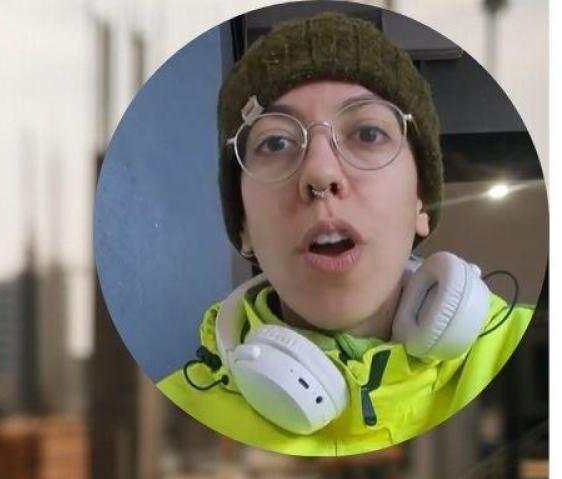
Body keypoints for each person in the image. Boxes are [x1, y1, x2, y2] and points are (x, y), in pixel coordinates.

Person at [156, 12, 533, 456]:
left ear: (421, 205)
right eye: (275, 143)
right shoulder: (179, 412)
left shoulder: (524, 355)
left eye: (368, 133)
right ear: (242, 226)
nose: (320, 173)